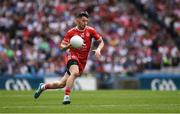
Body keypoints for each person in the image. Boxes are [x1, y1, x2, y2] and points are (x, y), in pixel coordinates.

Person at [34, 11, 104, 105]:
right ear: (77, 20)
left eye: (86, 21)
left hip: (83, 60)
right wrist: (69, 46)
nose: (85, 23)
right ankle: (66, 96)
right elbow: (62, 47)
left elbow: (101, 41)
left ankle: (43, 87)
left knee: (61, 84)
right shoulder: (71, 32)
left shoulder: (90, 30)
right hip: (72, 56)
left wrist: (99, 49)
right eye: (83, 21)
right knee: (75, 72)